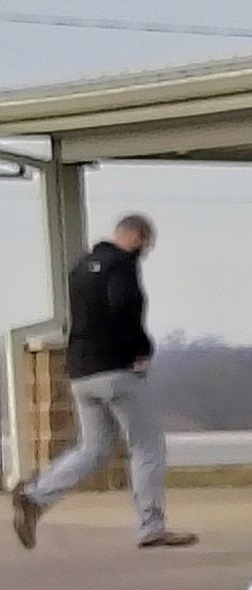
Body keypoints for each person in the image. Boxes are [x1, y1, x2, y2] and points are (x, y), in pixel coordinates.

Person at [10, 213, 191, 550]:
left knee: (94, 449)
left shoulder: (81, 268)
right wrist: (140, 349)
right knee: (147, 445)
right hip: (117, 371)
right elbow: (124, 306)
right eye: (146, 245)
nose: (144, 252)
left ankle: (35, 497)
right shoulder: (121, 265)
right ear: (136, 236)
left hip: (81, 372)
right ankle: (151, 526)